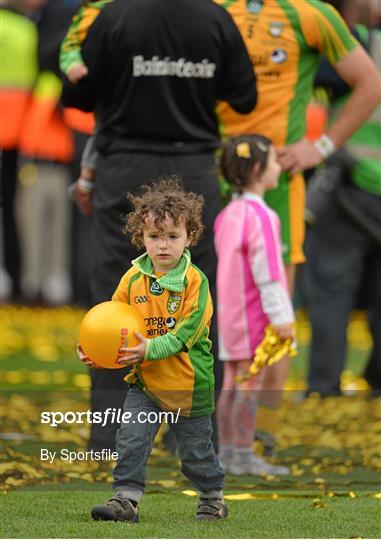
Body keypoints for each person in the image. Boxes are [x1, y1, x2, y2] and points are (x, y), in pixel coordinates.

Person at [62, 0, 257, 453]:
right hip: (194, 170)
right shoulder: (215, 18)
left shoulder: (113, 15)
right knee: (196, 301)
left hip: (123, 166)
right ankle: (190, 434)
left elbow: (77, 96)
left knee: (117, 296)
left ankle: (109, 437)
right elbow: (245, 96)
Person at [216, 0, 381, 457]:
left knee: (275, 315)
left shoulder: (309, 13)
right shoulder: (214, 9)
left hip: (276, 189)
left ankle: (258, 434)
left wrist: (320, 146)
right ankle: (200, 426)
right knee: (202, 308)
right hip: (211, 182)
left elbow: (369, 83)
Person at [78, 178, 228, 522]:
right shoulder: (132, 279)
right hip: (145, 383)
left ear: (189, 236)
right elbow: (109, 322)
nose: (163, 245)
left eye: (173, 237)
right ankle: (125, 500)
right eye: (154, 237)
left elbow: (185, 336)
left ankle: (211, 495)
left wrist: (148, 348)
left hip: (188, 385)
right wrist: (93, 351)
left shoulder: (196, 282)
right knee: (131, 437)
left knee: (195, 454)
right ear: (141, 238)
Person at [302, 0, 381, 396]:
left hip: (350, 187)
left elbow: (311, 74)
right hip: (365, 188)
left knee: (332, 291)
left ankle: (323, 386)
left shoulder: (358, 44)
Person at [214, 135, 295, 475]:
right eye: (275, 161)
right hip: (252, 316)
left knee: (232, 383)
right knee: (249, 383)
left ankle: (227, 452)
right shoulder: (262, 216)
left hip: (230, 316)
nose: (279, 167)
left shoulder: (228, 213)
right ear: (260, 170)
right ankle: (243, 455)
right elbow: (269, 273)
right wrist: (282, 317)